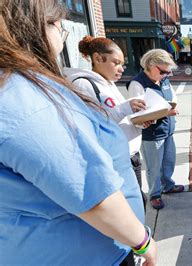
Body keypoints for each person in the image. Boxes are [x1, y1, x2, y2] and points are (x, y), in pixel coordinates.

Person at [0, 0, 157, 265]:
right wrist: (142, 243)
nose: (61, 40)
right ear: (37, 27)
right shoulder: (25, 102)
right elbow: (92, 193)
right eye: (59, 28)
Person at [64, 36, 149, 209]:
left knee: (138, 203)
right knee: (132, 207)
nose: (121, 69)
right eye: (116, 62)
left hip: (130, 156)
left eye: (122, 64)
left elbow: (117, 117)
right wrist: (127, 107)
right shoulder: (83, 84)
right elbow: (97, 122)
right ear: (97, 58)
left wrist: (139, 122)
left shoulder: (107, 84)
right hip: (116, 159)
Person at [128, 49, 184, 210]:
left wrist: (173, 106)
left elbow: (173, 97)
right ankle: (155, 194)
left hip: (168, 130)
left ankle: (168, 185)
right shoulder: (137, 84)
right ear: (150, 65)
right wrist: (165, 112)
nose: (166, 75)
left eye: (168, 72)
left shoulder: (164, 80)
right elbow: (138, 115)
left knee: (169, 161)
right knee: (154, 166)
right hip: (152, 134)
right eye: (163, 71)